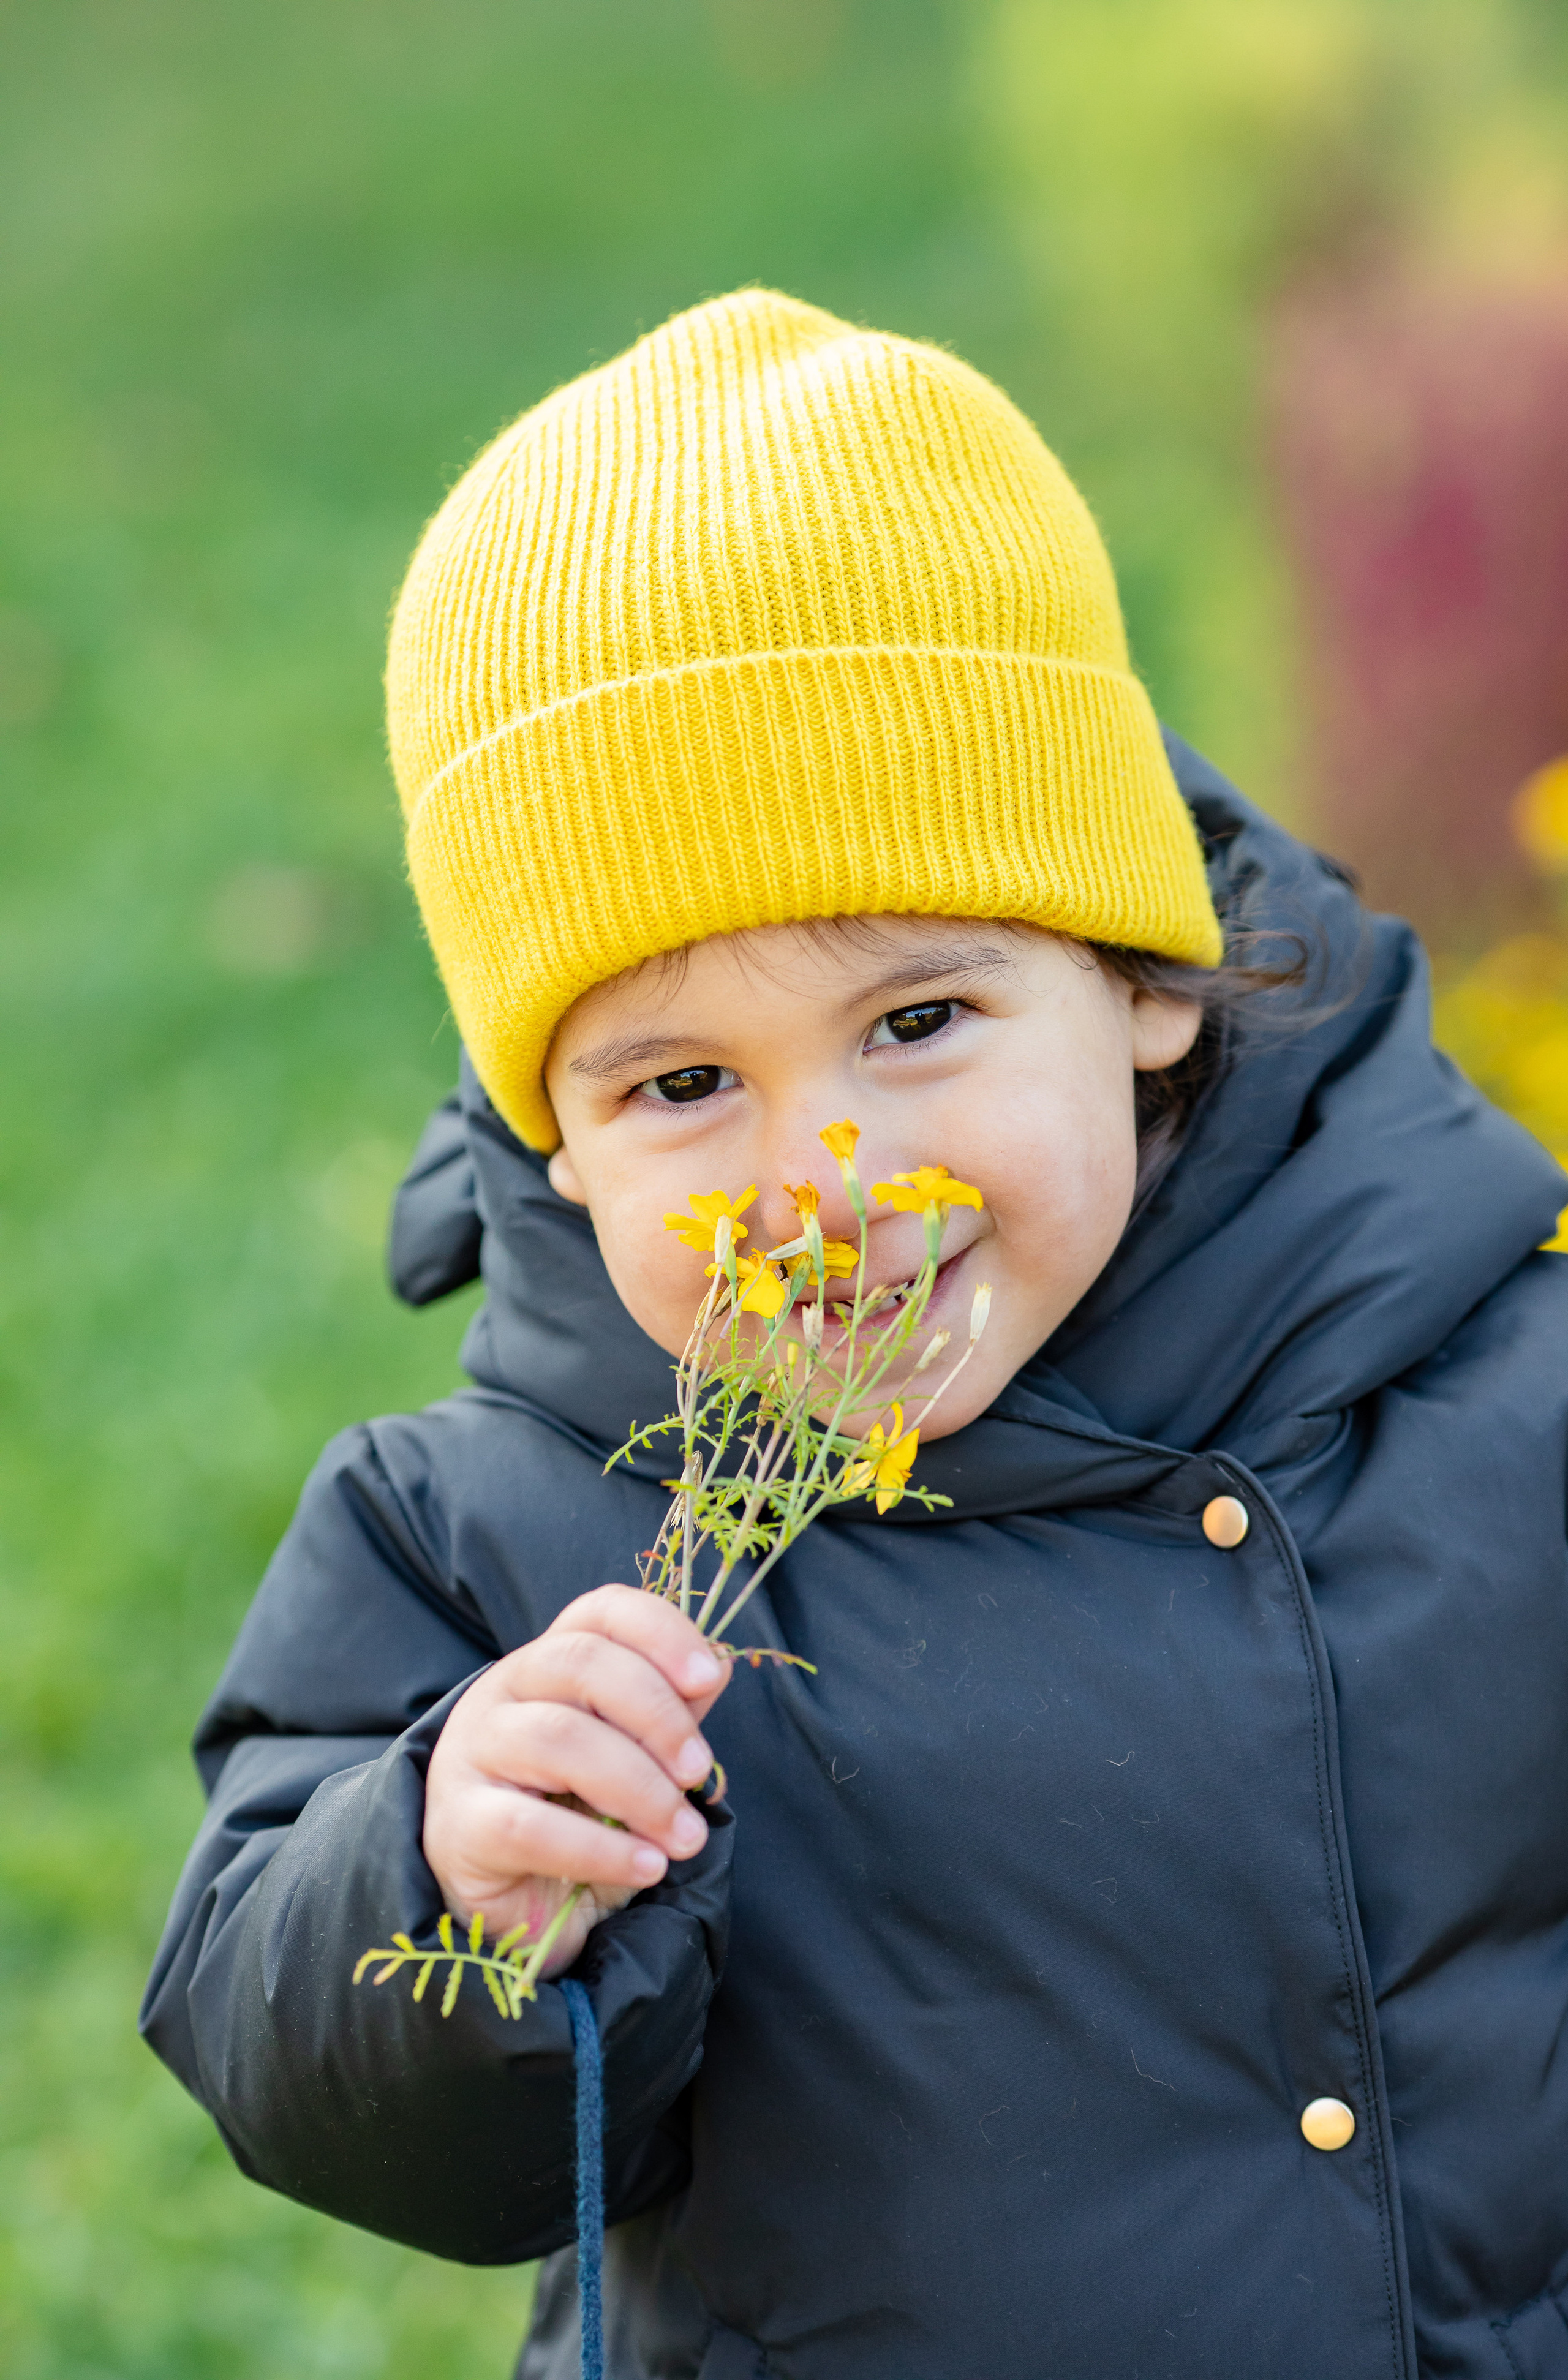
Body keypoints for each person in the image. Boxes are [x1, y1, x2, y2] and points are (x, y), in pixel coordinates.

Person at [141, 290, 1568, 2380]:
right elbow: (302, 2059)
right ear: (558, 1146)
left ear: (1147, 981)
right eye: (678, 1087)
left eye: (915, 1023)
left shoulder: (1496, 1386)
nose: (817, 1180)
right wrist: (448, 1874)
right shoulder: (520, 1535)